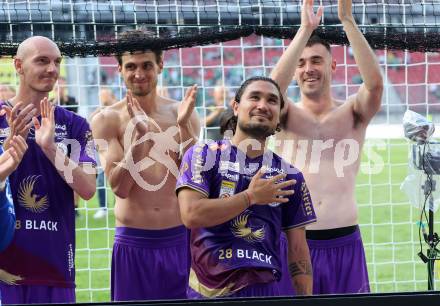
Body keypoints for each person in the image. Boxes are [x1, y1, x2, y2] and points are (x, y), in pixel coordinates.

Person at [271, 0, 383, 294]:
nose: (309, 69)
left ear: (333, 65)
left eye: (316, 61)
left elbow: (374, 85)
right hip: (294, 242)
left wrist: (347, 20)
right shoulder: (286, 114)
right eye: (302, 63)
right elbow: (270, 89)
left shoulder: (352, 114)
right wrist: (305, 30)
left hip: (344, 241)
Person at [176, 76, 316, 298]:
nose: (262, 105)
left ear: (278, 115)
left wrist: (306, 298)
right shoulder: (203, 154)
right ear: (236, 107)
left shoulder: (290, 176)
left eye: (272, 101)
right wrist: (250, 197)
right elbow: (191, 214)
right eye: (255, 97)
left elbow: (298, 250)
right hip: (208, 292)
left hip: (264, 291)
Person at [91, 29, 200, 301]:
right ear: (119, 69)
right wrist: (140, 140)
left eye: (147, 65)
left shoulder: (182, 111)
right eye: (131, 66)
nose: (139, 74)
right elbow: (120, 187)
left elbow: (194, 176)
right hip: (133, 243)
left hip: (180, 239)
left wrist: (184, 125)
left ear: (160, 65)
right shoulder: (106, 119)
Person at [0, 36, 97, 304]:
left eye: (57, 62)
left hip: (55, 269)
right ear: (18, 66)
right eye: (42, 61)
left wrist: (50, 149)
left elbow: (88, 189)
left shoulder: (76, 125)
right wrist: (7, 158)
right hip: (5, 272)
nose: (52, 69)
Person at [93, 88, 117, 219]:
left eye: (103, 94)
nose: (101, 97)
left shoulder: (119, 106)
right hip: (102, 150)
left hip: (118, 149)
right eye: (100, 95)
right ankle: (103, 208)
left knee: (118, 178)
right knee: (101, 179)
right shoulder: (100, 110)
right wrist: (100, 108)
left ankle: (119, 205)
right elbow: (90, 121)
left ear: (110, 94)